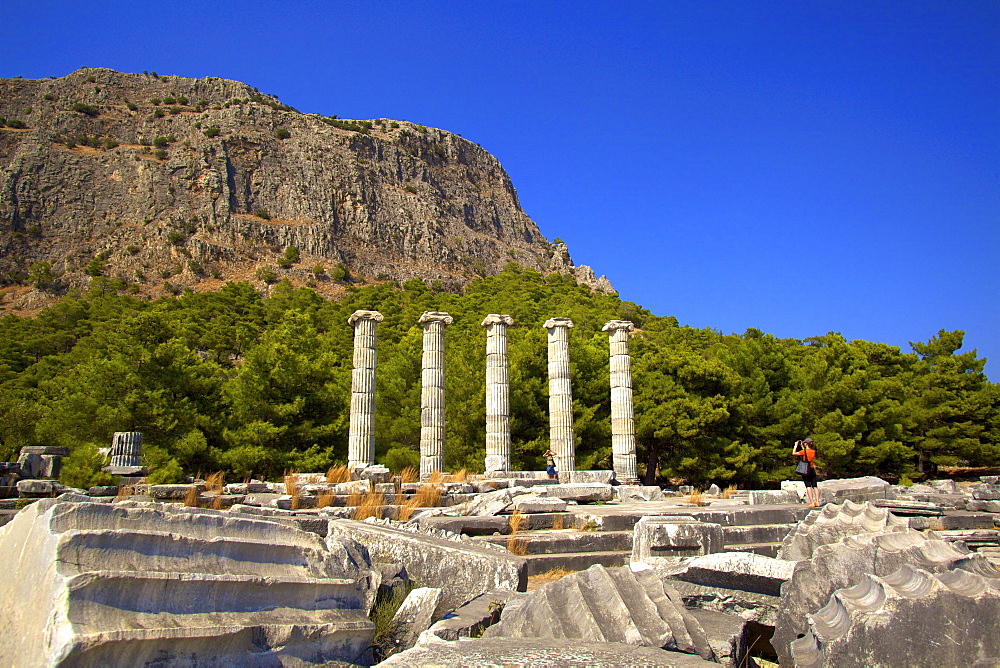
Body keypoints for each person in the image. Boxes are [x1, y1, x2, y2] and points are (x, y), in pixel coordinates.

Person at [792, 437, 821, 507]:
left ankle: (812, 502)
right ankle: (817, 501)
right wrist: (802, 446)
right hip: (812, 469)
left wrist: (796, 446)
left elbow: (794, 453)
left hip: (805, 470)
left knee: (808, 486)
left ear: (806, 444)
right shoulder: (813, 451)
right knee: (815, 486)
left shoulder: (803, 452)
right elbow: (806, 453)